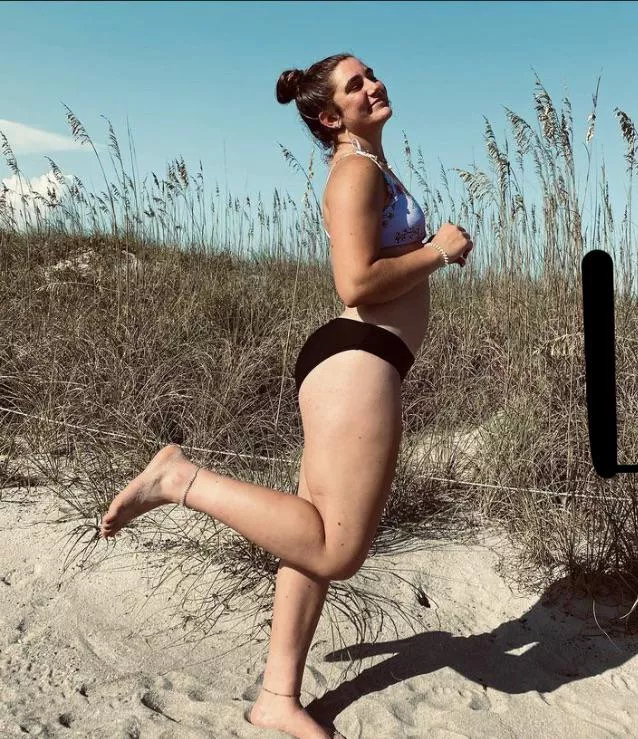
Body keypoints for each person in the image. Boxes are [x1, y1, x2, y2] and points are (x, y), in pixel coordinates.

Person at [99, 52, 473, 739]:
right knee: (337, 550)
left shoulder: (371, 163)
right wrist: (438, 252)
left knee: (310, 536)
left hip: (355, 362)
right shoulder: (354, 171)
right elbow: (354, 282)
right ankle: (178, 479)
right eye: (355, 84)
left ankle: (277, 696)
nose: (373, 85)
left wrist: (427, 255)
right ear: (329, 116)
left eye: (371, 74)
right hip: (360, 362)